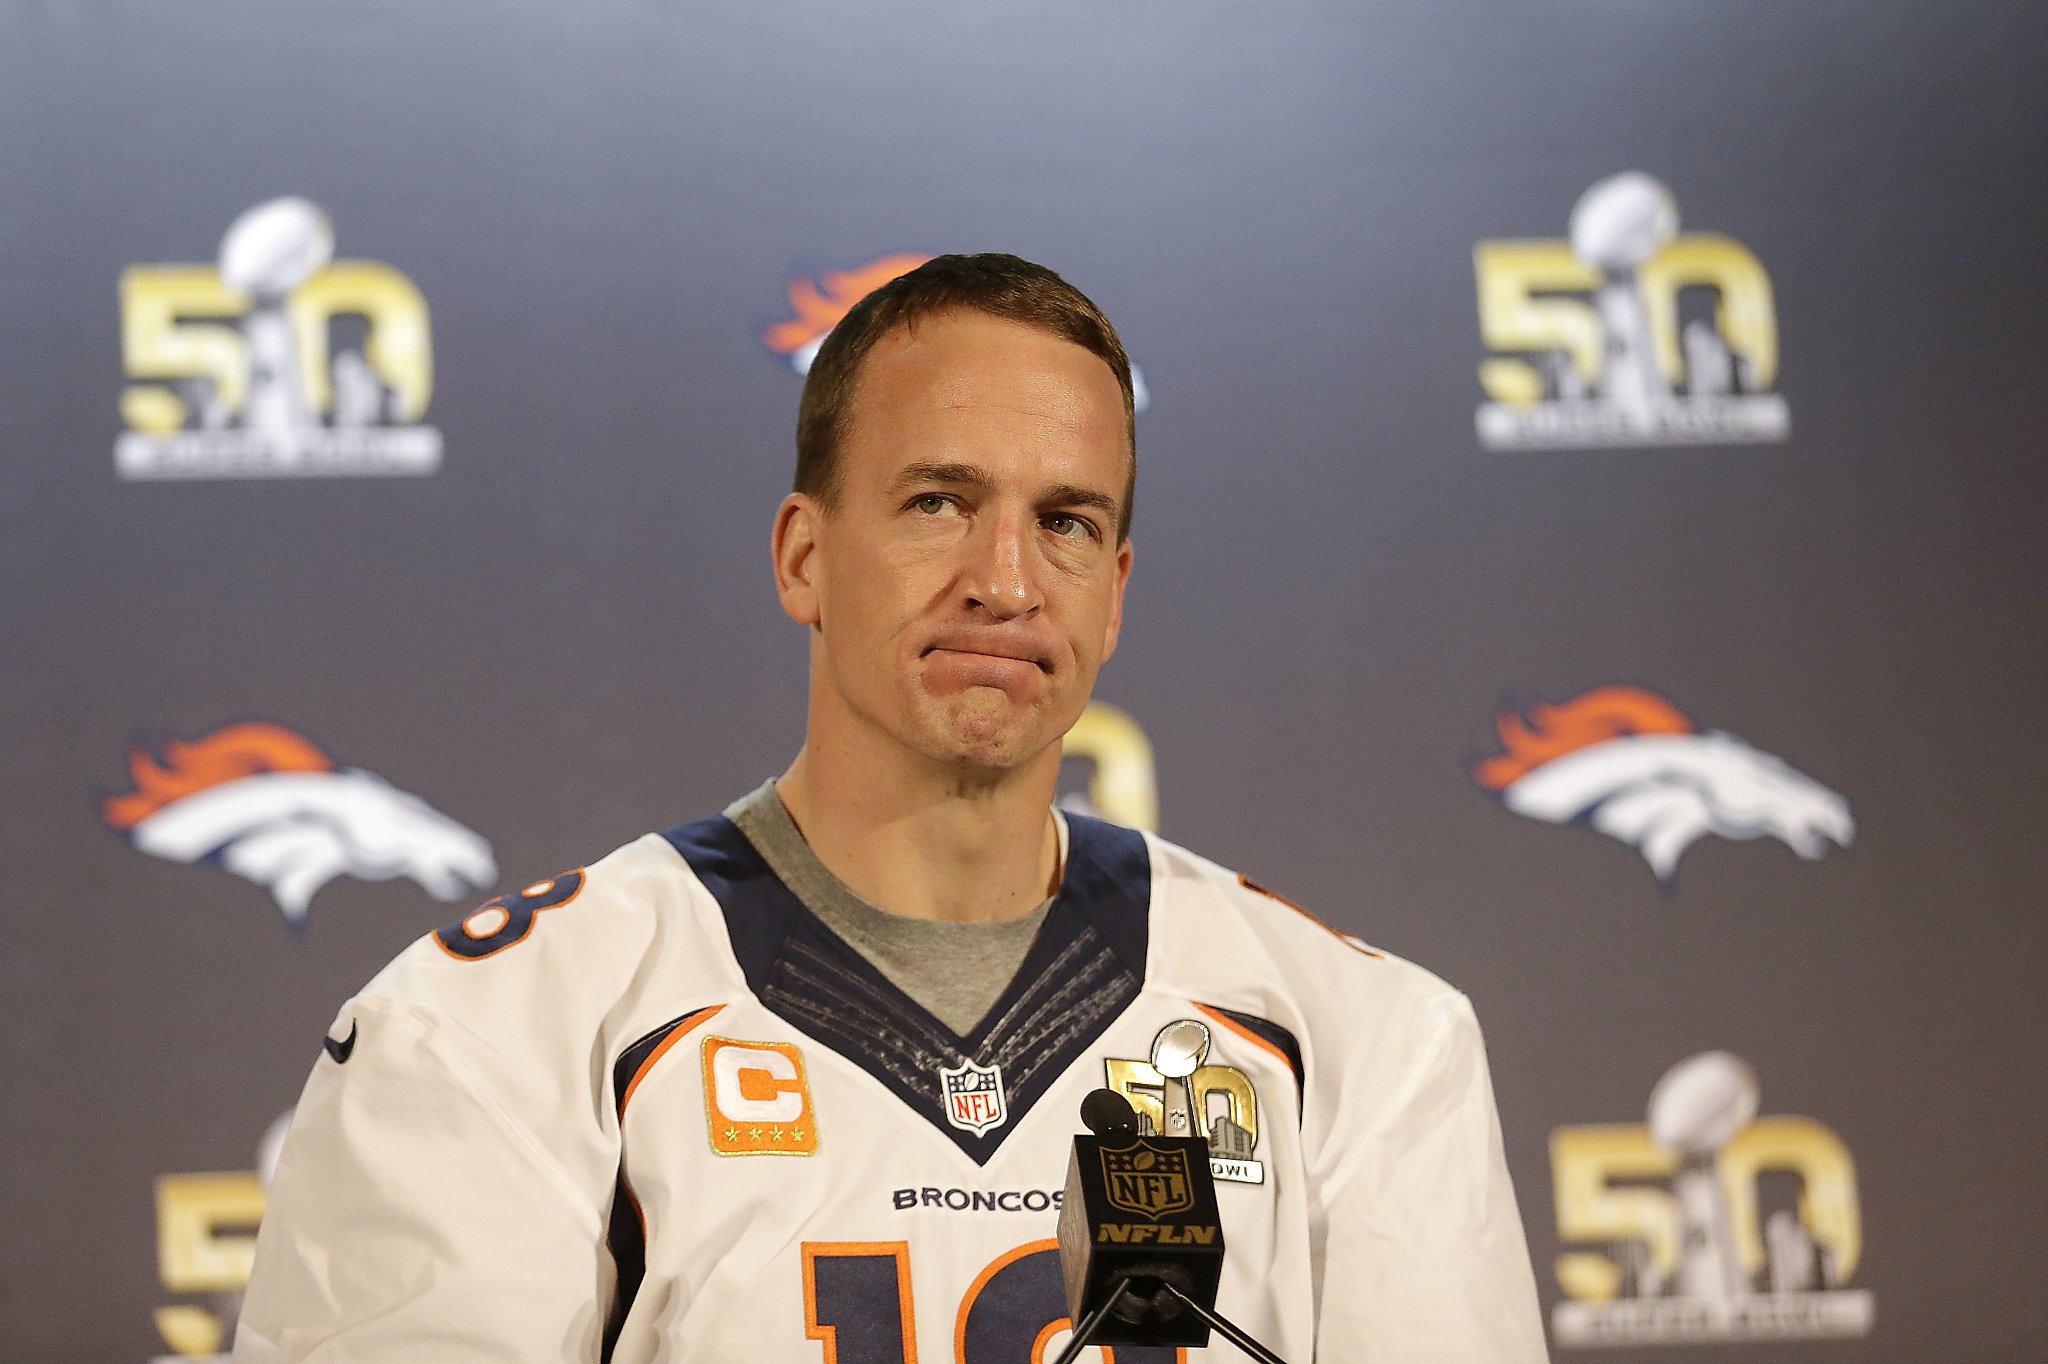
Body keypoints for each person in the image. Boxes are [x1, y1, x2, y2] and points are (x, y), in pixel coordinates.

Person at [234, 254, 1547, 1362]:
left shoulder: (1363, 1045)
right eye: (940, 504)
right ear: (805, 557)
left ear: (1118, 589)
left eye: (1069, 523)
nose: (1007, 580)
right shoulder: (493, 1036)